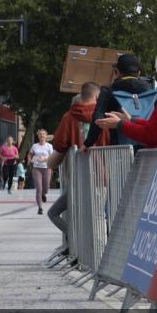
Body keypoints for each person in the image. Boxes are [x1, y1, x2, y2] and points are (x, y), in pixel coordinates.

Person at [46, 82, 108, 239]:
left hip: (77, 178)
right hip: (101, 175)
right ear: (96, 96)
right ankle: (98, 256)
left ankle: (78, 245)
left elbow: (59, 146)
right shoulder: (106, 116)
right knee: (99, 216)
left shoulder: (69, 117)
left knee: (77, 216)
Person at [85, 53, 157, 148]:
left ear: (117, 72)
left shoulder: (109, 91)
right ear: (139, 73)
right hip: (149, 149)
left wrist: (88, 143)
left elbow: (98, 119)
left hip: (120, 151)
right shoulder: (152, 92)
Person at [29, 129, 53, 215]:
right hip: (36, 168)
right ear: (38, 136)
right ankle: (40, 207)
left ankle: (44, 194)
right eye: (40, 134)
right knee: (39, 188)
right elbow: (30, 154)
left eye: (43, 134)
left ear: (46, 136)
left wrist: (44, 159)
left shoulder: (49, 146)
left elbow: (52, 157)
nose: (42, 136)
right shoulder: (35, 146)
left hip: (47, 168)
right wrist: (29, 160)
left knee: (46, 188)